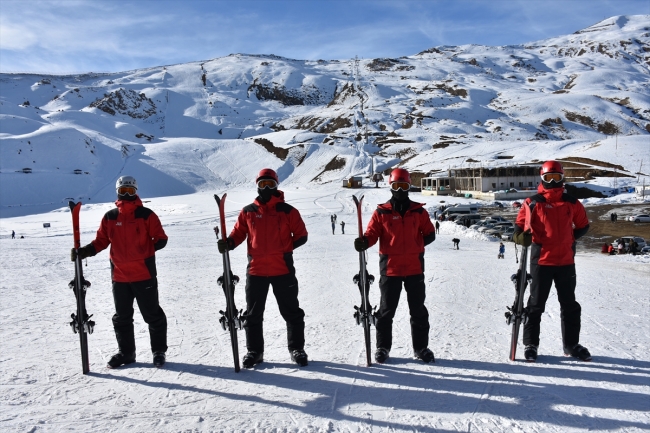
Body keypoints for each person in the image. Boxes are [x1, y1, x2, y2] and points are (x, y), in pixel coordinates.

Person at [71, 176, 169, 368]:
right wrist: (84, 252)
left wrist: (144, 253)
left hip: (143, 274)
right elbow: (101, 241)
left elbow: (161, 238)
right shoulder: (110, 217)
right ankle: (126, 353)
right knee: (122, 317)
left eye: (130, 191)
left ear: (136, 192)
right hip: (120, 276)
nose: (126, 195)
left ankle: (158, 352)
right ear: (117, 191)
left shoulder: (146, 215)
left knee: (152, 315)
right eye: (123, 191)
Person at [218, 168, 309, 368]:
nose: (266, 188)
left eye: (270, 184)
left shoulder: (288, 211)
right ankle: (254, 351)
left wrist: (284, 249)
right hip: (256, 271)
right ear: (257, 186)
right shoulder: (248, 211)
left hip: (282, 269)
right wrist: (229, 243)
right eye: (262, 184)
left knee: (292, 312)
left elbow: (302, 235)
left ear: (277, 186)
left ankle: (297, 349)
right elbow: (238, 233)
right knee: (253, 314)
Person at [354, 168, 436, 364]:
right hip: (390, 270)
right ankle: (383, 347)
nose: (400, 190)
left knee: (418, 311)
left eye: (404, 186)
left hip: (415, 269)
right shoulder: (382, 212)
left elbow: (430, 233)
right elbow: (372, 234)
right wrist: (365, 241)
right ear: (390, 187)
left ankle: (421, 347)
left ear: (409, 187)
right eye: (396, 186)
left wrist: (415, 247)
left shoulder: (419, 212)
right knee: (386, 311)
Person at [512, 161, 590, 362]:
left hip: (565, 261)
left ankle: (571, 345)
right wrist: (520, 236)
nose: (553, 182)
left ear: (563, 178)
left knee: (569, 304)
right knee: (536, 304)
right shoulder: (532, 202)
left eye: (557, 178)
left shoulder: (572, 202)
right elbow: (519, 227)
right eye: (549, 178)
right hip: (542, 261)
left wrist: (569, 238)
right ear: (542, 178)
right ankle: (531, 344)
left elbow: (583, 225)